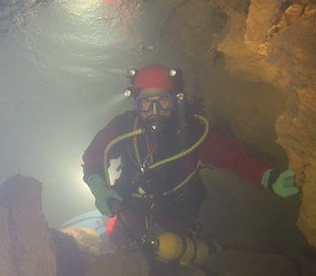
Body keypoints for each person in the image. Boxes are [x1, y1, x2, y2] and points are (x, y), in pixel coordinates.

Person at [82, 64, 298, 247]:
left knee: (175, 258)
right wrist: (99, 188)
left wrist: (269, 178)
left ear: (175, 101)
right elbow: (93, 157)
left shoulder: (191, 131)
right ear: (136, 104)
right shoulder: (123, 128)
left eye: (163, 102)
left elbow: (234, 156)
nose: (155, 111)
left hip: (178, 211)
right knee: (119, 245)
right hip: (131, 205)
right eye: (146, 103)